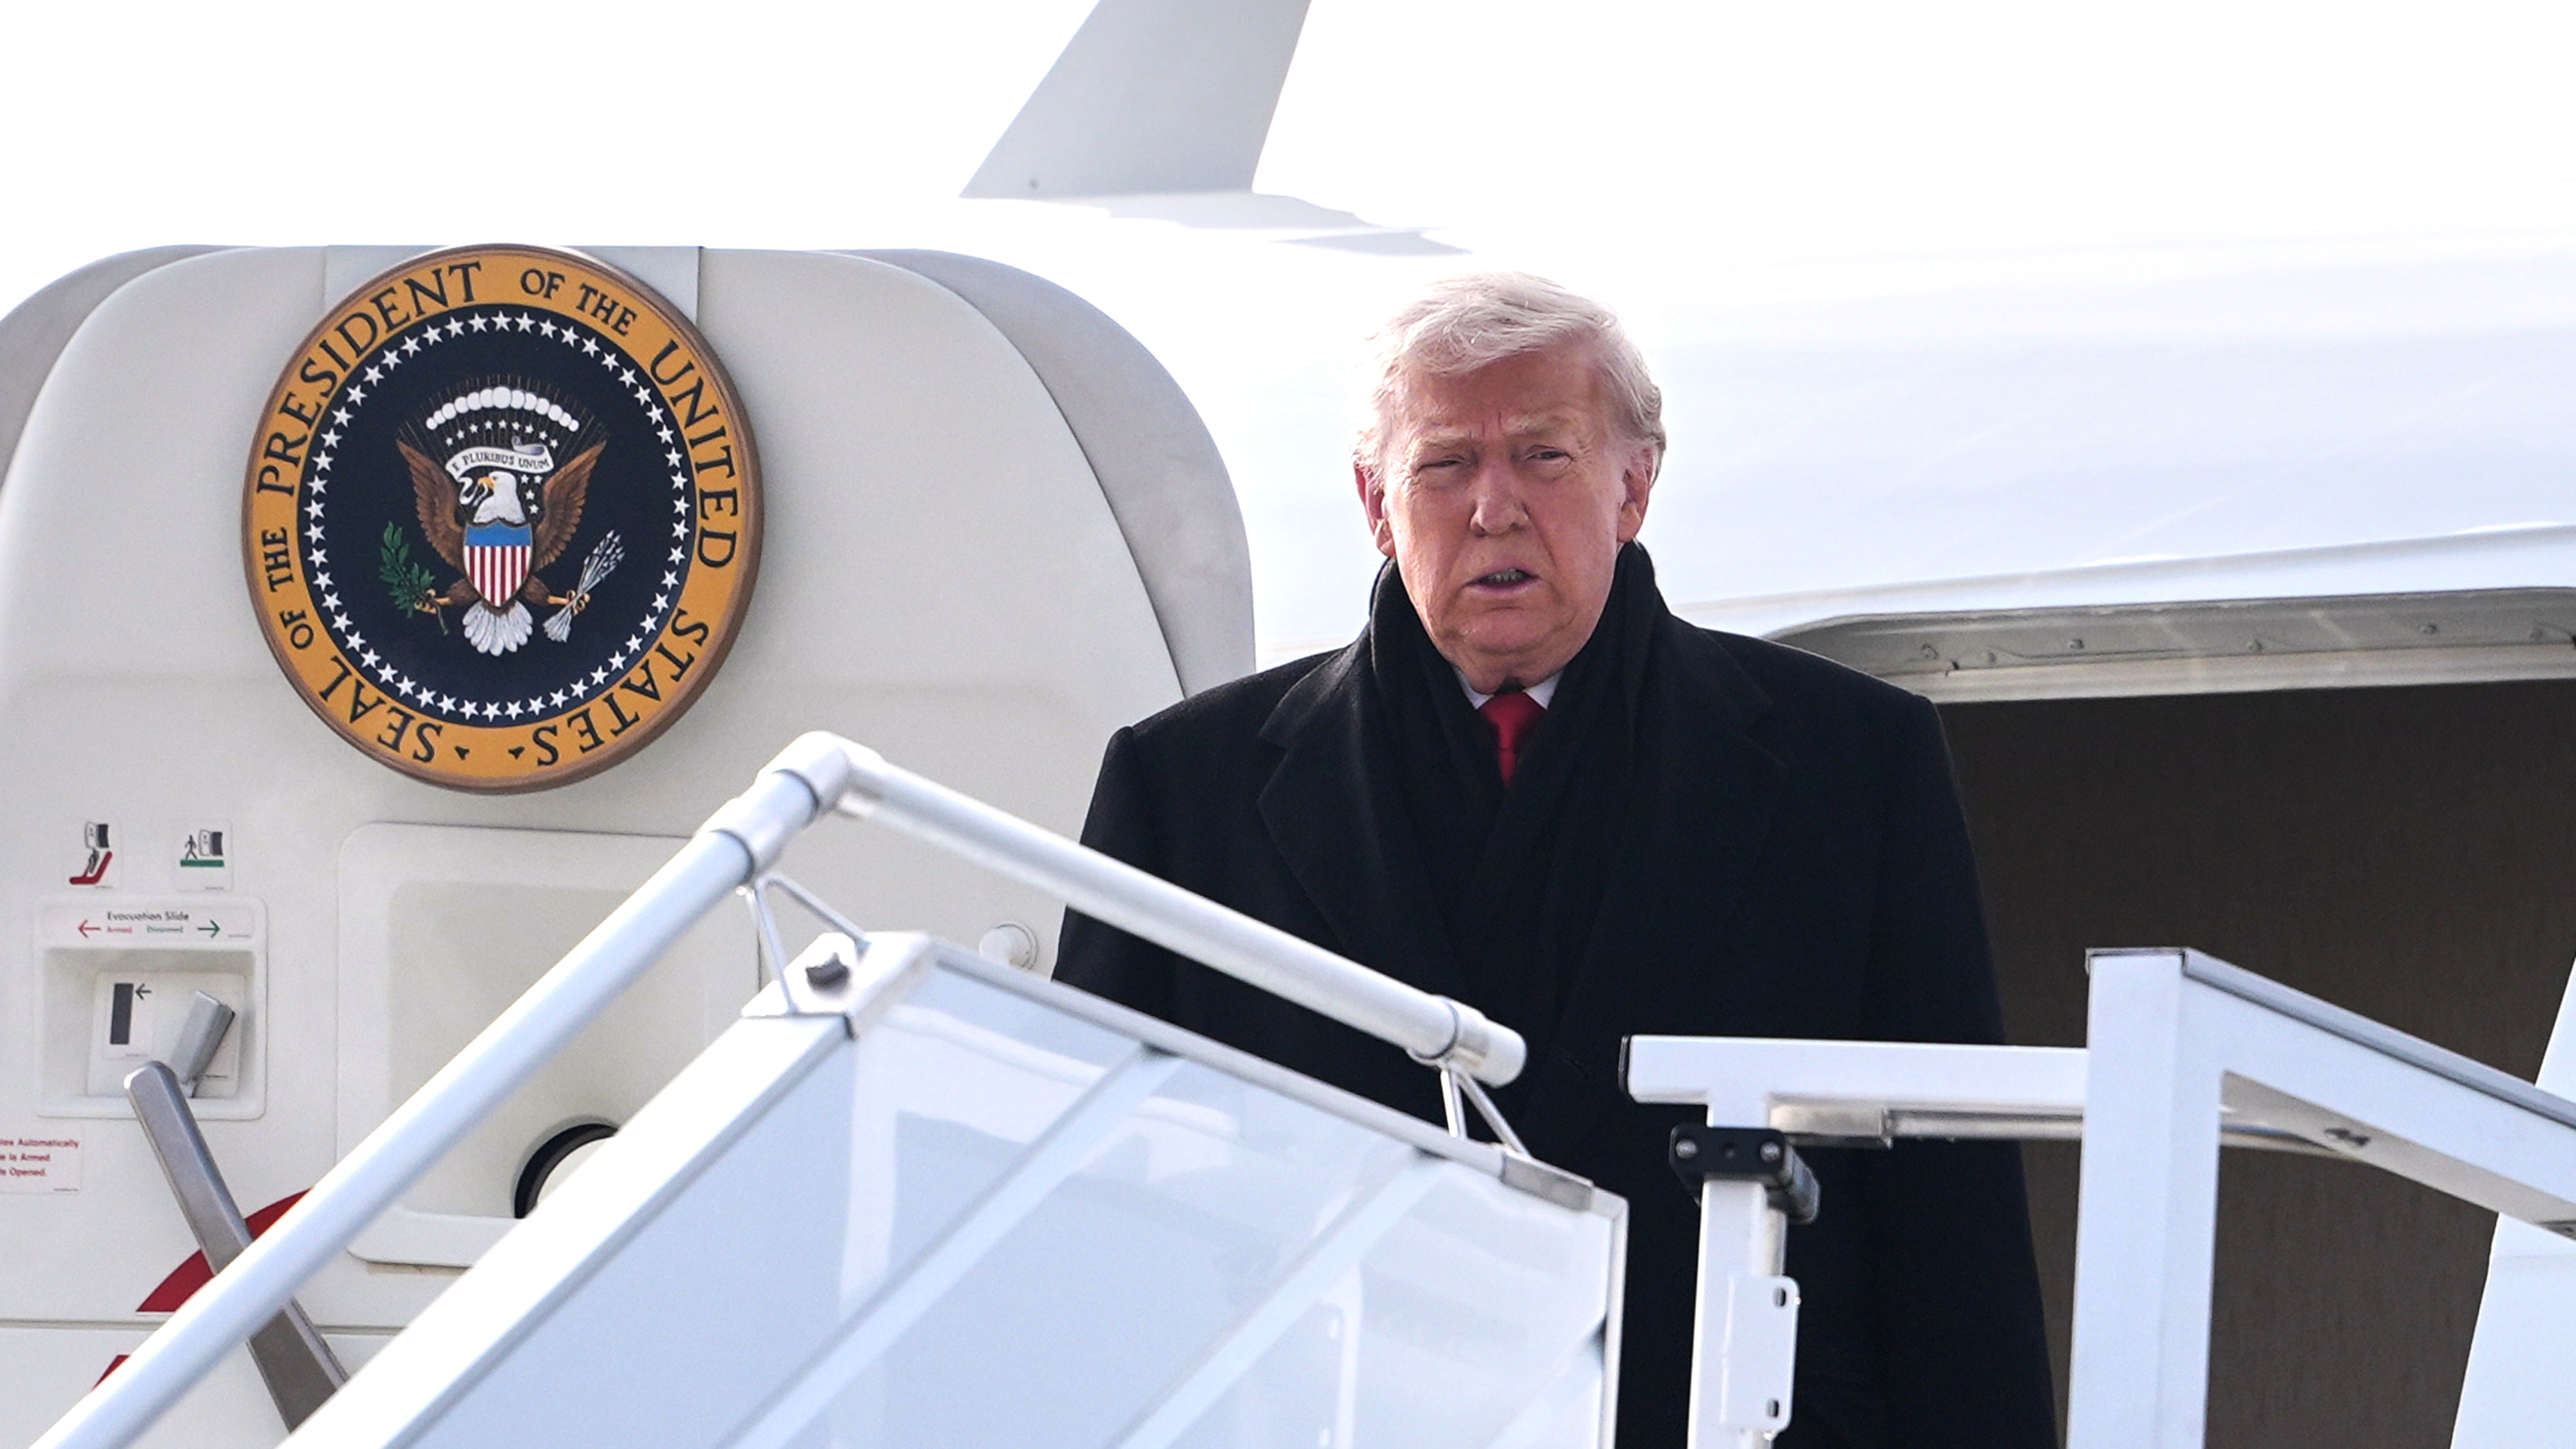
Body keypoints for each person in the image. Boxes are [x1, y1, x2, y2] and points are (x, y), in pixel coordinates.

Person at [1056, 273, 2054, 1448]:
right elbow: (1097, 1220)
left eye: (1543, 455)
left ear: (1633, 488)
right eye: (1444, 464)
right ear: (1376, 503)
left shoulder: (1853, 766)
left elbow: (1953, 1233)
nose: (1494, 508)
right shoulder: (1186, 792)